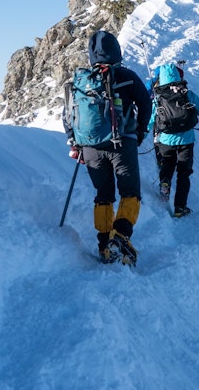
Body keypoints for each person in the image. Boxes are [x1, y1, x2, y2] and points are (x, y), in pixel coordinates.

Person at [63, 30, 152, 265]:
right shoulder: (127, 76)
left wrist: (75, 142)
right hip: (122, 143)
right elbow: (145, 105)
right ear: (116, 51)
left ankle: (104, 245)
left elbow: (68, 116)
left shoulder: (80, 82)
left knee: (103, 195)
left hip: (90, 146)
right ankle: (121, 235)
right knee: (130, 191)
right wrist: (140, 131)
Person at [147, 63, 199, 217]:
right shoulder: (188, 94)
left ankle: (165, 183)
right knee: (184, 173)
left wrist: (139, 136)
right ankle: (180, 207)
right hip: (187, 139)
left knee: (167, 165)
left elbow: (150, 119)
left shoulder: (158, 98)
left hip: (166, 139)